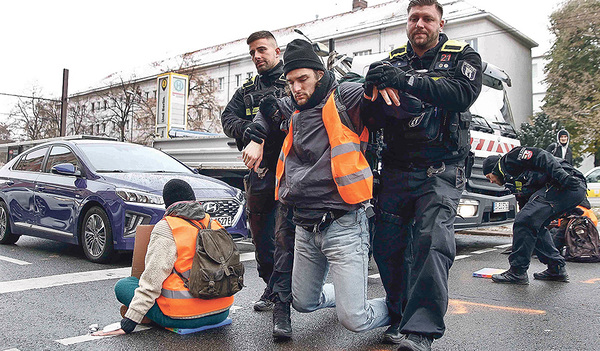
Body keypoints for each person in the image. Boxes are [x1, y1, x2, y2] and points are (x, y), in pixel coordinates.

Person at [243, 38, 390, 334]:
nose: (296, 88)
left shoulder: (343, 96)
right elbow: (269, 107)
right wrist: (257, 137)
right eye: (291, 81)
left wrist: (380, 77)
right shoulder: (293, 105)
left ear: (319, 75)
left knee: (355, 320)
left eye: (303, 80)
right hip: (306, 226)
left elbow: (367, 91)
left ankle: (401, 304)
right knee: (303, 303)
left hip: (344, 224)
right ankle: (348, 298)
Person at [360, 0, 483, 349]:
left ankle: (420, 332)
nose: (420, 24)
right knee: (386, 247)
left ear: (440, 23)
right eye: (413, 18)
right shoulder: (392, 60)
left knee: (431, 244)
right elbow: (372, 119)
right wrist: (371, 91)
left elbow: (460, 95)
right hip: (397, 169)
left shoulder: (463, 56)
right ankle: (398, 317)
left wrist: (405, 81)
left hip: (441, 170)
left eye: (427, 18)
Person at [92, 179, 233, 336]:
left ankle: (150, 314)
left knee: (124, 285)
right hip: (221, 311)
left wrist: (129, 323)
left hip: (184, 316)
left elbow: (152, 282)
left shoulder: (168, 227)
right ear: (194, 200)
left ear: (168, 205)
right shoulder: (214, 223)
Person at [221, 30, 289, 313]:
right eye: (252, 53)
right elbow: (227, 118)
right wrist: (248, 131)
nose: (257, 56)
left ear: (277, 51)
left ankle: (288, 289)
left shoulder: (292, 82)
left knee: (289, 235)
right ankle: (271, 287)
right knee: (262, 237)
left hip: (290, 170)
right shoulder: (246, 92)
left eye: (262, 50)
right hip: (260, 173)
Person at [482, 146, 587, 285]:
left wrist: (563, 177)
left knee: (525, 221)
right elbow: (525, 206)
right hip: (565, 189)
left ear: (494, 169)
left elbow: (542, 155)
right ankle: (556, 269)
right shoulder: (513, 180)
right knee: (532, 224)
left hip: (567, 183)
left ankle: (517, 272)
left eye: (489, 177)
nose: (491, 181)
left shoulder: (509, 160)